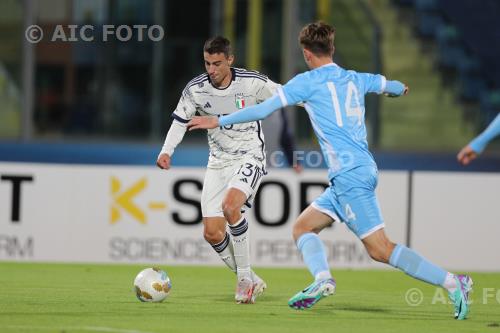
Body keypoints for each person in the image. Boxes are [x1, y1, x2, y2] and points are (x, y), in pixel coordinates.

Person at [187, 22, 473, 319]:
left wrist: (217, 121)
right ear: (332, 49)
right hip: (356, 172)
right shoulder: (355, 78)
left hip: (350, 175)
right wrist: (398, 90)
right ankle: (322, 279)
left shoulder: (306, 82)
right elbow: (391, 86)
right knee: (302, 228)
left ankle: (454, 283)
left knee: (380, 249)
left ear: (307, 54)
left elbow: (262, 109)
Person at [157, 36, 291, 304]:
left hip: (249, 156)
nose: (211, 70)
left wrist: (318, 100)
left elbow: (289, 95)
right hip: (217, 162)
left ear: (230, 60)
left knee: (231, 207)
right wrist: (166, 151)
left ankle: (243, 280)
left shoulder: (252, 83)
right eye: (207, 63)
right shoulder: (196, 89)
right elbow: (180, 121)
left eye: (217, 63)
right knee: (212, 233)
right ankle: (252, 277)